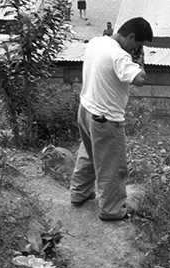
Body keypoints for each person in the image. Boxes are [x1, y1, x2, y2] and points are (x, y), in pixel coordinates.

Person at [69, 17, 153, 221]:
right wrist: (140, 63)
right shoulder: (119, 56)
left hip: (86, 110)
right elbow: (140, 79)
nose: (137, 48)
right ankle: (112, 210)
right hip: (106, 120)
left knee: (89, 155)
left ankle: (80, 193)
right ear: (131, 37)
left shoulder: (97, 42)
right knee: (113, 166)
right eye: (139, 44)